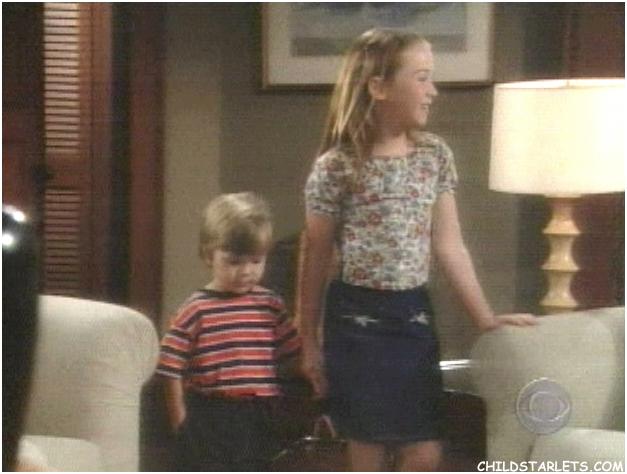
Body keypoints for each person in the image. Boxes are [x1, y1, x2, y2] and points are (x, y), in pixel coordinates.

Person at [300, 29, 536, 471]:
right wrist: (308, 340)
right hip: (355, 323)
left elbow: (450, 245)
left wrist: (485, 319)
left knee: (424, 447)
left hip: (412, 318)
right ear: (379, 87)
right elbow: (314, 256)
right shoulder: (337, 167)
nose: (433, 91)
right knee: (367, 443)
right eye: (422, 78)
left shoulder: (433, 156)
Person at [156, 192, 301, 471]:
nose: (246, 271)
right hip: (212, 412)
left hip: (260, 412)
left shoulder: (270, 305)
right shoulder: (196, 309)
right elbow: (170, 368)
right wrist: (180, 421)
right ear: (208, 255)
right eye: (234, 262)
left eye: (256, 261)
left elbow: (293, 355)